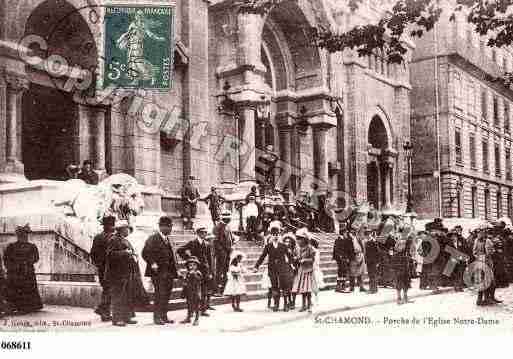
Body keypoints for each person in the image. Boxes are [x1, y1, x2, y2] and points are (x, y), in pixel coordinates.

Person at [105, 220, 148, 326]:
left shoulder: (125, 240)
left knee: (127, 296)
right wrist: (125, 253)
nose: (128, 231)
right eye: (127, 229)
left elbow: (129, 252)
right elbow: (110, 255)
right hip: (117, 274)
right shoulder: (113, 240)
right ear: (121, 230)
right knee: (118, 296)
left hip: (127, 273)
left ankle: (127, 317)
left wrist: (133, 255)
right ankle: (117, 319)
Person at [141, 216, 179, 325]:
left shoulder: (168, 239)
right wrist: (152, 262)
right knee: (159, 295)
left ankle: (164, 315)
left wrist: (176, 270)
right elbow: (145, 253)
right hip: (158, 273)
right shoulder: (153, 238)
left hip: (169, 273)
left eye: (171, 227)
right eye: (169, 227)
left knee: (167, 294)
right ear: (162, 227)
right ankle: (157, 317)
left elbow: (172, 257)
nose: (171, 229)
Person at [254, 221, 295, 312]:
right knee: (274, 287)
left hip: (282, 268)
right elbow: (262, 256)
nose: (276, 236)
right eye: (274, 234)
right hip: (272, 269)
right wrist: (256, 266)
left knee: (284, 287)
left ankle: (286, 304)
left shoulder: (283, 246)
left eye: (277, 234)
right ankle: (276, 304)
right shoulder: (268, 246)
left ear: (279, 235)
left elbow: (289, 256)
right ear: (271, 235)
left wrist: (292, 265)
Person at [3, 224, 43, 314]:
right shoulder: (11, 246)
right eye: (21, 235)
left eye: (25, 235)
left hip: (26, 271)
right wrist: (11, 267)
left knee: (27, 288)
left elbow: (36, 258)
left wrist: (27, 262)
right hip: (15, 272)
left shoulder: (32, 246)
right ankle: (14, 306)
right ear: (18, 235)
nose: (23, 237)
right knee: (15, 288)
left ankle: (27, 307)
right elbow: (6, 259)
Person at [177, 226, 213, 317]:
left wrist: (211, 271)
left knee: (204, 290)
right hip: (194, 269)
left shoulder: (207, 244)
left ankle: (203, 309)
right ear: (198, 233)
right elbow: (180, 250)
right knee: (192, 291)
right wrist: (189, 259)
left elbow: (209, 258)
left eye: (205, 232)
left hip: (204, 270)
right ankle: (191, 311)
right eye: (202, 232)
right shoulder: (192, 243)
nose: (204, 234)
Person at [90, 216, 116, 322]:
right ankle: (103, 312)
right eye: (110, 225)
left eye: (112, 225)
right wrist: (100, 265)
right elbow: (93, 253)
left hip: (111, 268)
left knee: (108, 290)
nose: (112, 227)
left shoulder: (111, 237)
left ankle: (103, 310)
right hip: (104, 269)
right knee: (108, 290)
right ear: (106, 226)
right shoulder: (100, 237)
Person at [292, 228, 316, 312]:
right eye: (297, 239)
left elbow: (312, 260)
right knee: (302, 289)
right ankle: (303, 305)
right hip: (301, 270)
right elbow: (296, 257)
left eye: (300, 239)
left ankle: (309, 304)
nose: (298, 241)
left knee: (308, 289)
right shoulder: (297, 249)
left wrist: (305, 260)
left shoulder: (310, 248)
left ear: (304, 239)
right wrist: (295, 259)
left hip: (308, 270)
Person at [213, 211, 234, 294]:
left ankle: (224, 289)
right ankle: (217, 289)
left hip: (227, 252)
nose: (229, 220)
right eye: (227, 218)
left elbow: (230, 238)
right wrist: (222, 251)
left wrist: (231, 245)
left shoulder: (227, 226)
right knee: (219, 271)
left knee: (225, 271)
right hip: (222, 253)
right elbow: (216, 241)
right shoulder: (218, 227)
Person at [180, 257, 203, 326]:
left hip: (196, 292)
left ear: (196, 266)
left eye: (194, 265)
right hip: (189, 292)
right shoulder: (188, 273)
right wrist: (183, 279)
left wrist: (194, 274)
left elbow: (199, 280)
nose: (192, 267)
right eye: (190, 265)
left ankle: (197, 319)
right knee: (189, 305)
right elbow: (186, 281)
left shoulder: (198, 273)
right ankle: (188, 317)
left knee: (196, 306)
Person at [391, 236, 413, 305]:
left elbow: (409, 242)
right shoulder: (396, 255)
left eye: (403, 245)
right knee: (399, 283)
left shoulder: (405, 253)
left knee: (406, 282)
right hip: (399, 270)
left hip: (405, 269)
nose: (402, 247)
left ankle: (405, 296)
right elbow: (393, 264)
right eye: (400, 245)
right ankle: (399, 297)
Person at [333, 222, 353, 293]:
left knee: (343, 272)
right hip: (341, 259)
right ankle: (340, 287)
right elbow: (336, 251)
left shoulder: (345, 240)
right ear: (342, 233)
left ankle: (342, 286)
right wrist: (341, 258)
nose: (346, 234)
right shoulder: (338, 240)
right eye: (345, 232)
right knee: (341, 272)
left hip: (344, 259)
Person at [349, 228, 367, 292]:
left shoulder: (362, 240)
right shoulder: (353, 240)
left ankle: (361, 287)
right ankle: (352, 287)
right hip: (354, 256)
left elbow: (364, 249)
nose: (361, 235)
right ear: (357, 233)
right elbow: (350, 249)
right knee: (352, 272)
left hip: (361, 256)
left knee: (361, 272)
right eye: (360, 233)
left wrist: (364, 256)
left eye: (362, 234)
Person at [364, 229, 380, 294]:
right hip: (369, 261)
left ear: (370, 235)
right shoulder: (367, 242)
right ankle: (372, 288)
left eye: (368, 235)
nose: (367, 236)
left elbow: (377, 252)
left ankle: (373, 289)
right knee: (370, 275)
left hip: (373, 261)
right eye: (366, 235)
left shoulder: (374, 242)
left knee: (373, 275)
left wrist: (377, 262)